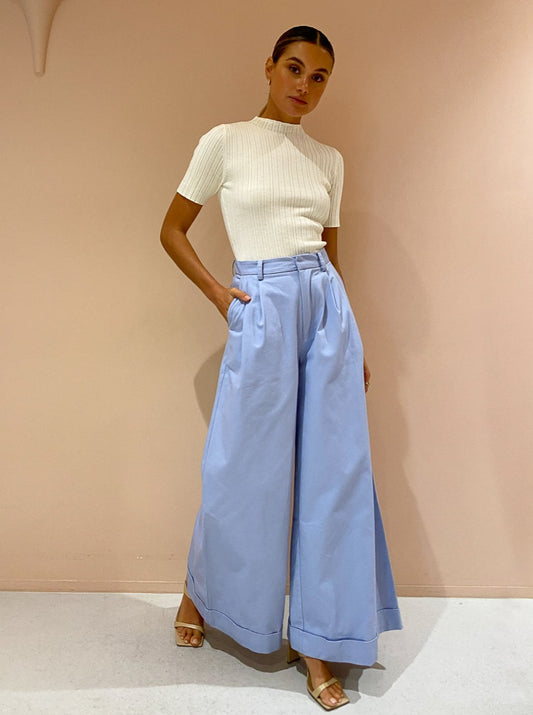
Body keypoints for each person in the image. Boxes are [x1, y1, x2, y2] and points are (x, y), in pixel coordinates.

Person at [160, 25, 402, 711]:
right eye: (294, 68)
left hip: (325, 307)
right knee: (243, 467)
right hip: (261, 301)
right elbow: (170, 228)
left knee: (333, 473)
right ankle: (199, 591)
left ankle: (318, 640)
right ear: (268, 67)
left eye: (319, 76)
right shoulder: (225, 141)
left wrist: (351, 338)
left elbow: (332, 255)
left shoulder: (329, 160)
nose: (305, 85)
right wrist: (220, 294)